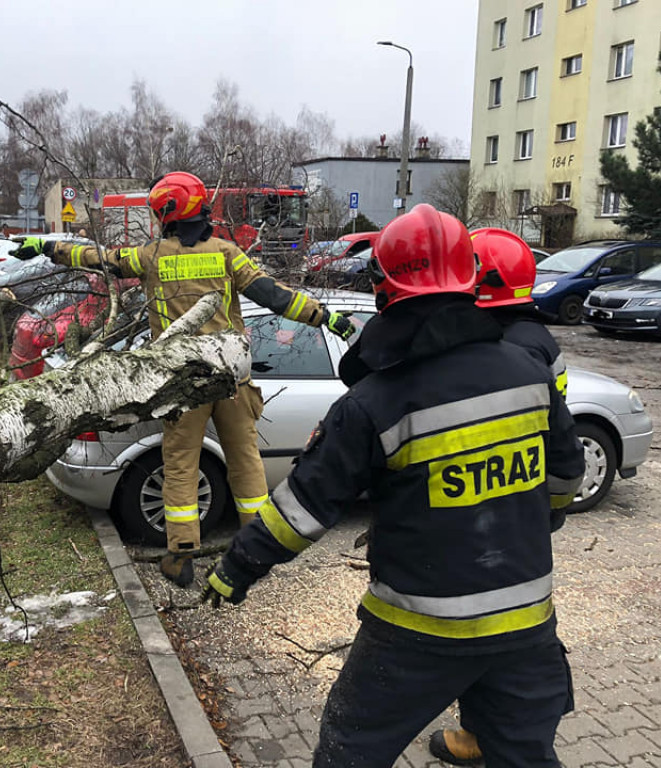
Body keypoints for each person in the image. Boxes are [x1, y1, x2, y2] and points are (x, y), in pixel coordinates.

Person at [202, 204, 586, 767]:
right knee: (525, 756)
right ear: (469, 280)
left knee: (350, 750)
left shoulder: (372, 404)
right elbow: (566, 477)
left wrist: (237, 569)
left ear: (384, 288)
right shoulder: (530, 373)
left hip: (417, 630)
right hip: (526, 623)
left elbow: (301, 512)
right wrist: (529, 517)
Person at [11, 171, 355, 587]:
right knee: (245, 461)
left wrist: (49, 248)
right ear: (201, 208)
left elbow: (102, 259)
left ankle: (181, 554)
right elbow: (273, 295)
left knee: (180, 464)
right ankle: (254, 548)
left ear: (164, 215)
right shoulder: (228, 253)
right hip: (230, 375)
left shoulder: (151, 256)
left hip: (182, 380)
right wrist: (325, 316)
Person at [428, 227, 571, 766]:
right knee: (520, 630)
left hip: (493, 503)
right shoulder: (540, 340)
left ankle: (498, 738)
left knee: (499, 632)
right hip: (523, 501)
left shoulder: (505, 348)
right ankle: (492, 732)